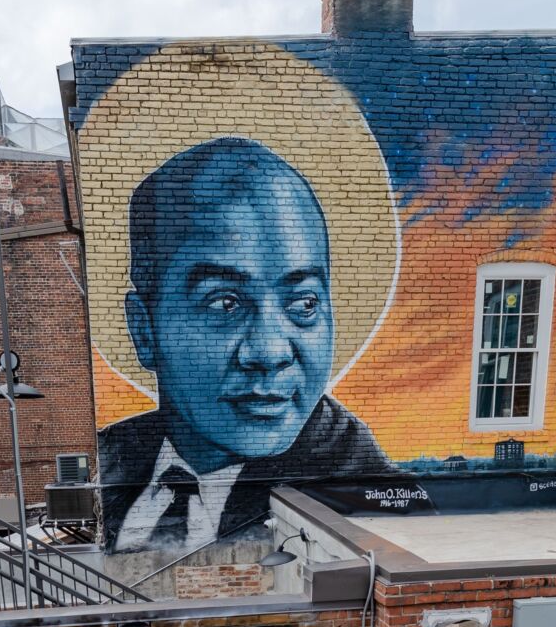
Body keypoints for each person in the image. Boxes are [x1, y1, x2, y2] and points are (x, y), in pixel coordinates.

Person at [100, 137, 393, 553]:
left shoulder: (363, 493)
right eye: (225, 302)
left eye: (304, 303)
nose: (270, 351)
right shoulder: (113, 455)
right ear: (144, 330)